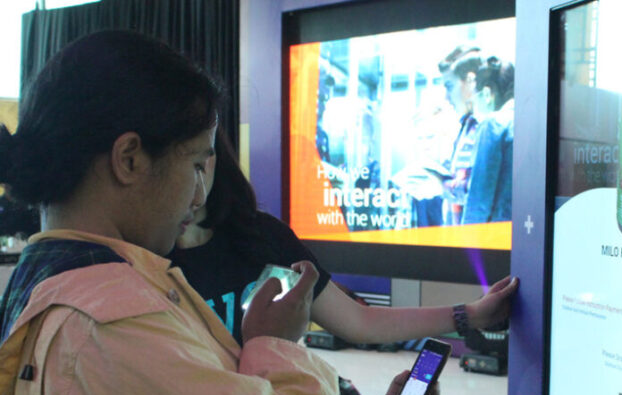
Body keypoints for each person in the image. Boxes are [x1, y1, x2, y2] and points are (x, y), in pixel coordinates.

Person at [0, 30, 438, 395]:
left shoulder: (67, 288)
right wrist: (275, 346)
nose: (199, 193)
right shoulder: (112, 326)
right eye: (195, 165)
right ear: (130, 160)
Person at [169, 128, 518, 352]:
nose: (195, 190)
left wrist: (469, 315)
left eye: (202, 161)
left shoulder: (260, 236)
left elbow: (358, 321)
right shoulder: (136, 262)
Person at [462, 56, 515, 225]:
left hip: (496, 238)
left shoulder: (493, 124)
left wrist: (466, 248)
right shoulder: (533, 121)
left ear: (486, 94)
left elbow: (479, 200)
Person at [438, 45, 482, 226]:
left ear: (470, 82)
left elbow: (478, 189)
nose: (447, 98)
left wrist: (447, 186)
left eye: (450, 86)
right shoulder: (466, 125)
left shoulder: (483, 127)